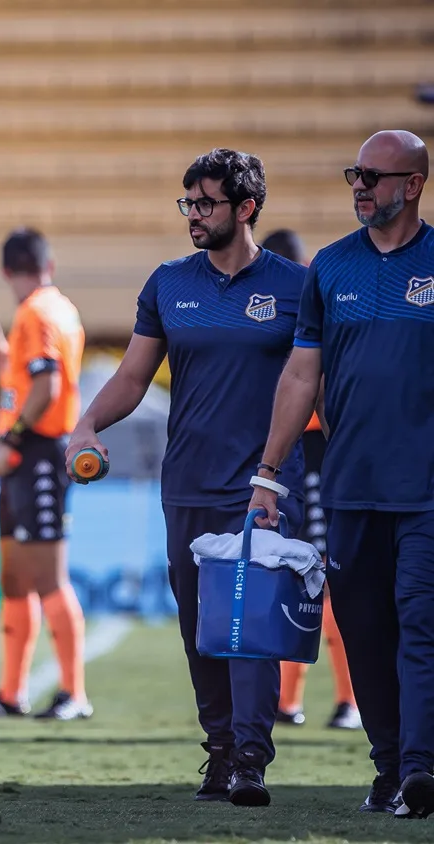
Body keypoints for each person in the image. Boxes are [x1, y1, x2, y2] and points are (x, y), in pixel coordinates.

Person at [65, 149, 306, 808]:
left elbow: (316, 383)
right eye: (188, 204)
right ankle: (221, 748)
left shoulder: (296, 287)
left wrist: (279, 472)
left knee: (250, 623)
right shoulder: (168, 283)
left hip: (264, 485)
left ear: (246, 207)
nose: (193, 216)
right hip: (188, 482)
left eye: (206, 204)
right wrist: (87, 425)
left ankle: (252, 757)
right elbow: (133, 377)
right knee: (200, 625)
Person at [249, 129, 434, 818]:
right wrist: (269, 473)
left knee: (420, 623)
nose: (358, 186)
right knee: (364, 632)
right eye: (353, 174)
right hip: (351, 487)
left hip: (426, 493)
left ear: (411, 186)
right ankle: (389, 767)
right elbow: (302, 374)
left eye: (373, 176)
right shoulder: (329, 268)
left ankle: (419, 767)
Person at [0, 227, 91, 721]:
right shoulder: (50, 309)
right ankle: (11, 692)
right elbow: (18, 380)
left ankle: (74, 693)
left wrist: (10, 438)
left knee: (48, 579)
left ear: (6, 270)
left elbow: (47, 385)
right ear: (49, 265)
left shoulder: (38, 313)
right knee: (16, 580)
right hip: (25, 458)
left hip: (37, 454)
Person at [259, 229, 361, 732]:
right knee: (288, 574)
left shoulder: (314, 307)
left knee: (328, 577)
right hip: (287, 454)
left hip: (317, 452)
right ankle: (286, 701)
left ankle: (350, 699)